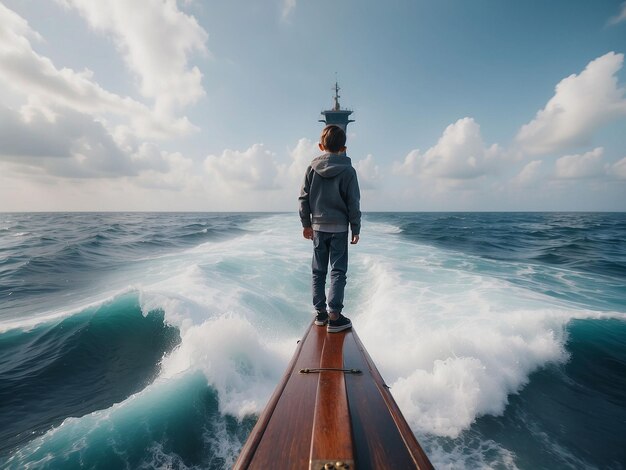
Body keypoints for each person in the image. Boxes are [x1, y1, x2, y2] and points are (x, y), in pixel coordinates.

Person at [298, 124, 361, 333]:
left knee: (318, 271)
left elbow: (303, 198)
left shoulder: (311, 168)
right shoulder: (349, 171)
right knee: (338, 271)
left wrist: (306, 224)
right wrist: (355, 228)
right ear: (343, 148)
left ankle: (320, 313)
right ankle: (335, 316)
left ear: (320, 146)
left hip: (317, 227)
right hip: (340, 228)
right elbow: (353, 202)